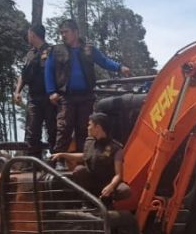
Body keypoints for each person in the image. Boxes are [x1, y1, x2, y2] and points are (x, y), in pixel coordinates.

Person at [44, 18, 131, 155]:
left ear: (75, 32)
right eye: (61, 32)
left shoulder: (89, 49)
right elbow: (48, 70)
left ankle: (83, 160)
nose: (63, 35)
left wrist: (119, 67)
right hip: (66, 96)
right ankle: (57, 160)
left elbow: (104, 61)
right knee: (64, 128)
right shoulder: (56, 51)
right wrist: (51, 92)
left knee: (84, 129)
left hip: (86, 96)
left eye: (66, 32)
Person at [50, 112, 131, 201]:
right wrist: (63, 154)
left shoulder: (116, 148)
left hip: (107, 181)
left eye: (90, 125)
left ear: (98, 127)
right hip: (92, 180)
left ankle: (107, 201)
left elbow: (118, 175)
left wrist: (111, 186)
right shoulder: (89, 142)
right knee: (79, 170)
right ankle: (86, 201)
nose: (88, 128)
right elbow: (84, 156)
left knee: (124, 190)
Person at [14, 23, 54, 157]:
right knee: (32, 132)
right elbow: (23, 74)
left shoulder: (51, 51)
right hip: (34, 98)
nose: (27, 36)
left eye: (28, 34)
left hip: (49, 98)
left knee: (52, 131)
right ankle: (34, 164)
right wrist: (17, 91)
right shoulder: (30, 54)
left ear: (32, 34)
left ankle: (55, 163)